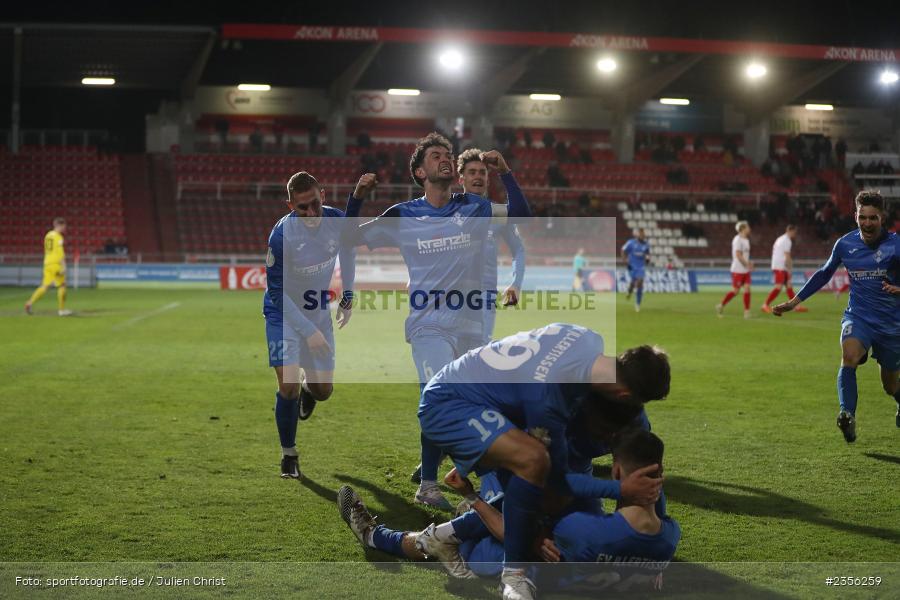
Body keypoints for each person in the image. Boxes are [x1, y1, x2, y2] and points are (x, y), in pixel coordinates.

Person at [344, 132, 531, 508]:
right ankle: (433, 484)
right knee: (440, 394)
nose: (444, 159)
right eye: (435, 155)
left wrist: (507, 174)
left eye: (447, 154)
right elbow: (346, 238)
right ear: (419, 171)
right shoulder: (403, 215)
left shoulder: (473, 208)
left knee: (473, 400)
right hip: (429, 323)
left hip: (472, 324)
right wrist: (358, 197)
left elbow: (522, 217)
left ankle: (462, 479)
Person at [417, 323, 670, 600]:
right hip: (459, 403)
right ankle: (511, 571)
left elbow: (643, 475)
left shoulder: (588, 342)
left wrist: (647, 550)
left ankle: (454, 532)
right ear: (626, 395)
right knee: (534, 476)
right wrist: (536, 535)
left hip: (515, 421)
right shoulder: (550, 403)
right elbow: (542, 477)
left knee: (582, 548)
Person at [337, 427, 677, 595]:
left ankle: (377, 536)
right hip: (575, 549)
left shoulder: (582, 528)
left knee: (476, 524)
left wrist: (473, 498)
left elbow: (515, 533)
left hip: (494, 559)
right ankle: (430, 532)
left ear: (616, 473)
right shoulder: (668, 539)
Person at [263, 171, 373, 479]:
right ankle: (289, 455)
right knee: (288, 385)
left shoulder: (336, 221)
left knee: (324, 391)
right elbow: (276, 292)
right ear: (290, 205)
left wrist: (348, 295)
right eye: (302, 208)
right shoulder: (281, 236)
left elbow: (349, 253)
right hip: (282, 313)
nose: (311, 213)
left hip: (316, 311)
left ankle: (310, 393)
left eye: (315, 204)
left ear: (322, 195)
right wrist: (307, 332)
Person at [773, 191, 900, 442]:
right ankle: (847, 416)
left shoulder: (896, 245)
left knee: (890, 384)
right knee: (849, 355)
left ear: (882, 218)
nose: (867, 223)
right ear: (855, 216)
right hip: (859, 316)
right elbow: (824, 273)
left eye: (873, 218)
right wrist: (795, 301)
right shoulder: (845, 244)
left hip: (891, 324)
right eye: (862, 217)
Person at [456, 147, 526, 343]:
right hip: (449, 298)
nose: (477, 176)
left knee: (478, 356)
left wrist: (516, 283)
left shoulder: (497, 213)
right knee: (449, 360)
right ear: (461, 179)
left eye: (482, 172)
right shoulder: (446, 211)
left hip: (484, 297)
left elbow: (518, 249)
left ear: (488, 179)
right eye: (471, 172)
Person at [25, 217, 72, 317]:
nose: (65, 228)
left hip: (47, 263)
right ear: (59, 225)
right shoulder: (58, 237)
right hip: (56, 264)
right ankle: (61, 310)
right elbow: (60, 252)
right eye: (64, 226)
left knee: (44, 286)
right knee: (62, 285)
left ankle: (29, 303)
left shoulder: (48, 235)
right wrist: (63, 265)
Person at [761, 224, 807, 314]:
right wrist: (790, 269)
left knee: (789, 286)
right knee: (778, 287)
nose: (795, 234)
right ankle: (765, 305)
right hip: (780, 266)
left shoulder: (781, 238)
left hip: (778, 265)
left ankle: (795, 306)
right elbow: (787, 256)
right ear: (791, 231)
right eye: (795, 232)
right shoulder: (787, 240)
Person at [716, 221, 753, 319]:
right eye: (747, 227)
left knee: (747, 289)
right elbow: (738, 255)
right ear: (742, 229)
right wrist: (747, 264)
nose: (749, 228)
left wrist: (749, 263)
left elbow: (745, 255)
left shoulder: (746, 240)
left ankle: (746, 311)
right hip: (737, 269)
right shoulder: (737, 239)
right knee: (736, 291)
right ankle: (721, 305)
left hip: (745, 270)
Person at [622, 229, 650, 312]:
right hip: (632, 266)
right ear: (638, 235)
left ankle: (637, 303)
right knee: (633, 282)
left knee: (640, 282)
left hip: (641, 267)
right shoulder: (631, 243)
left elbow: (647, 254)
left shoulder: (646, 245)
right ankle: (629, 292)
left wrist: (648, 259)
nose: (642, 236)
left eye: (643, 235)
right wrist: (625, 261)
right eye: (641, 234)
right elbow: (623, 250)